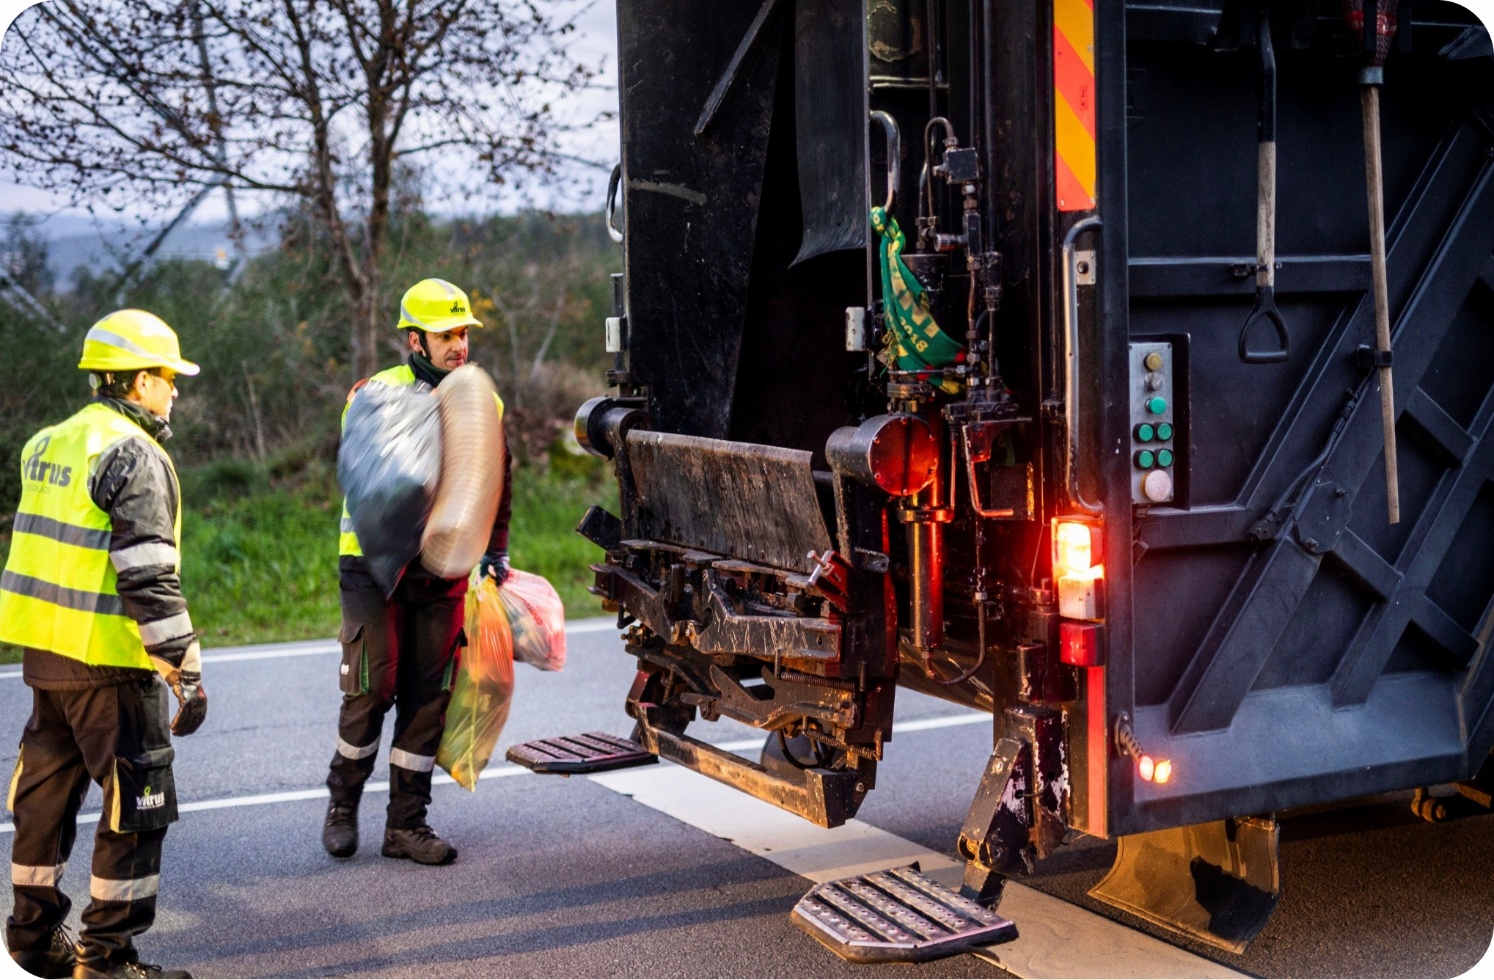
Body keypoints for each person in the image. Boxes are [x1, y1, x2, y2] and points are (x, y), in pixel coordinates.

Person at [2, 310, 208, 980]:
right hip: (111, 663)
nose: (174, 390)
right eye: (168, 378)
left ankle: (32, 940)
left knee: (45, 805)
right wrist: (184, 670)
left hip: (45, 659)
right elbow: (147, 574)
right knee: (138, 812)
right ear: (140, 380)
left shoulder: (49, 442)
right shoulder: (133, 454)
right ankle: (109, 961)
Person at [323, 278, 512, 865]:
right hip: (373, 572)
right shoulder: (375, 395)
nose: (459, 345)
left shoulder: (482, 401)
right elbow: (366, 485)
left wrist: (495, 552)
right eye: (446, 335)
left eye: (463, 334)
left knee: (428, 699)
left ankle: (406, 824)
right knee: (371, 690)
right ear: (414, 340)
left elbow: (498, 482)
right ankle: (342, 805)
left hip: (443, 573)